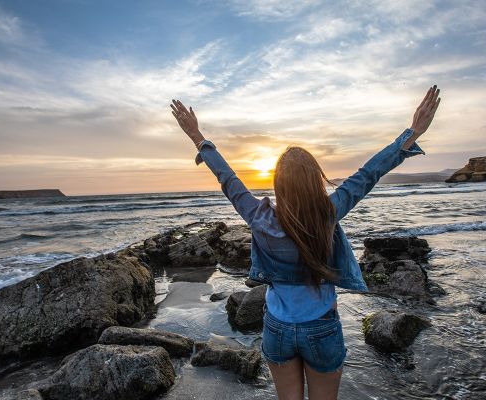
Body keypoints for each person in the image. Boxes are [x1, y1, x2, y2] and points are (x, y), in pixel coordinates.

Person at [170, 86, 441, 400]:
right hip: (321, 327)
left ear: (278, 183)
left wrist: (197, 136)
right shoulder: (327, 213)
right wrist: (413, 131)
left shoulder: (258, 217)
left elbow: (227, 177)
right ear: (315, 180)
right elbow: (369, 173)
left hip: (277, 329)